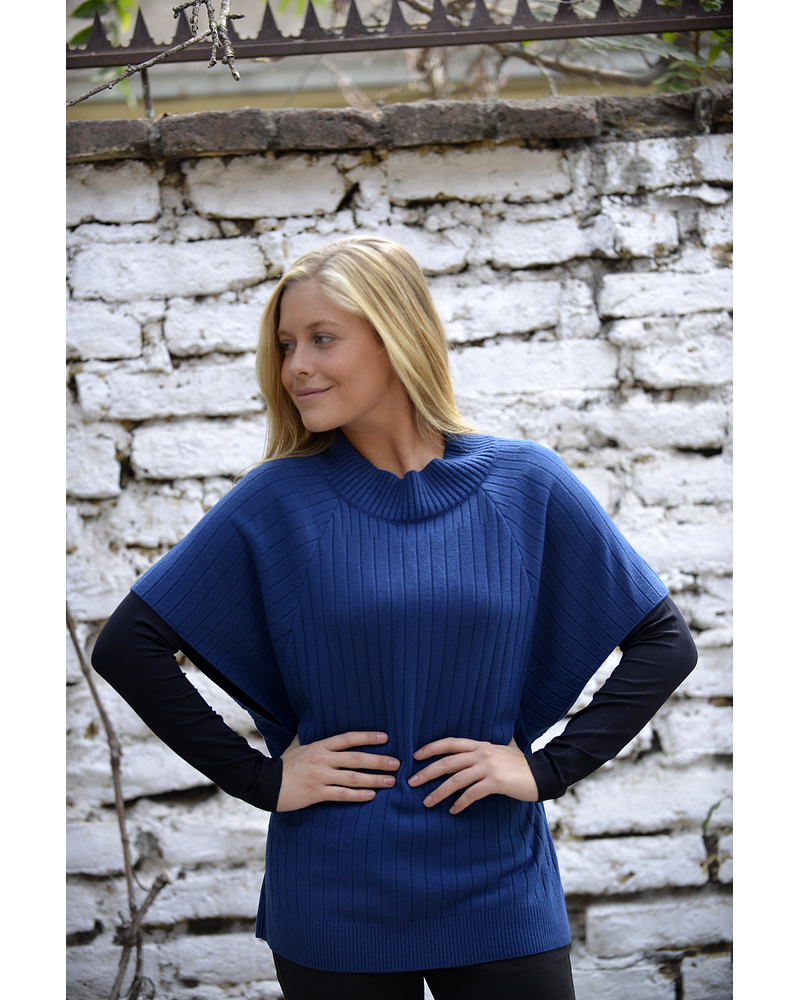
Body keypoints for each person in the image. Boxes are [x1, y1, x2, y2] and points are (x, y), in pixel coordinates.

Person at [92, 235, 697, 1000]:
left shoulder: (525, 483)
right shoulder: (277, 499)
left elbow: (664, 643)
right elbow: (129, 646)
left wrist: (547, 770)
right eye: (286, 345)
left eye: (322, 338)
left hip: (499, 889)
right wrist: (261, 780)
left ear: (395, 336)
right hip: (335, 900)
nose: (295, 366)